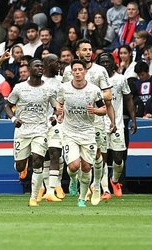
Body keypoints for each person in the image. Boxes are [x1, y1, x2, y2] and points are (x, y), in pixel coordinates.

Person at [63, 39, 115, 206]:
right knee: (75, 163)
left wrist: (92, 95)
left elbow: (108, 96)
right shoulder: (68, 71)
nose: (87, 52)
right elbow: (63, 94)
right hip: (73, 122)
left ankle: (98, 186)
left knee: (98, 155)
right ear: (77, 52)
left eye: (90, 49)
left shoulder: (100, 71)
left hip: (96, 120)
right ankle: (78, 183)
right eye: (84, 49)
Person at [5, 58, 56, 207]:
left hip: (40, 129)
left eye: (42, 66)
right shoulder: (20, 88)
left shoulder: (49, 89)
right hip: (22, 130)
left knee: (38, 160)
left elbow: (55, 107)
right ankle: (22, 166)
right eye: (37, 66)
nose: (40, 68)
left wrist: (53, 117)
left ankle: (34, 197)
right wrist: (14, 119)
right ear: (30, 69)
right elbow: (8, 106)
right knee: (20, 166)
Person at [57, 59, 107, 207]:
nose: (78, 72)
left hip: (87, 132)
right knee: (73, 166)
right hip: (69, 132)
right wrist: (59, 111)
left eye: (80, 70)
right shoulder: (64, 88)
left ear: (85, 71)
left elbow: (103, 109)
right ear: (71, 72)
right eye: (75, 70)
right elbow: (59, 103)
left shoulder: (94, 90)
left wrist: (95, 111)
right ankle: (73, 179)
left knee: (86, 167)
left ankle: (82, 197)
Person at [96, 53, 137, 200]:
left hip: (118, 125)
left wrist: (133, 120)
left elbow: (128, 99)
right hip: (100, 125)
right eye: (102, 62)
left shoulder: (120, 79)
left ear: (113, 63)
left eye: (108, 62)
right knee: (103, 158)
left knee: (119, 158)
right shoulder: (96, 80)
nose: (105, 64)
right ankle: (105, 190)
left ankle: (114, 181)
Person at [37, 54, 64, 202]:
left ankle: (54, 188)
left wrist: (60, 113)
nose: (59, 64)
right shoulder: (37, 81)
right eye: (56, 62)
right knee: (43, 156)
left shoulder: (62, 81)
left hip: (57, 122)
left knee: (55, 153)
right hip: (40, 124)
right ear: (47, 64)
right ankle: (45, 187)